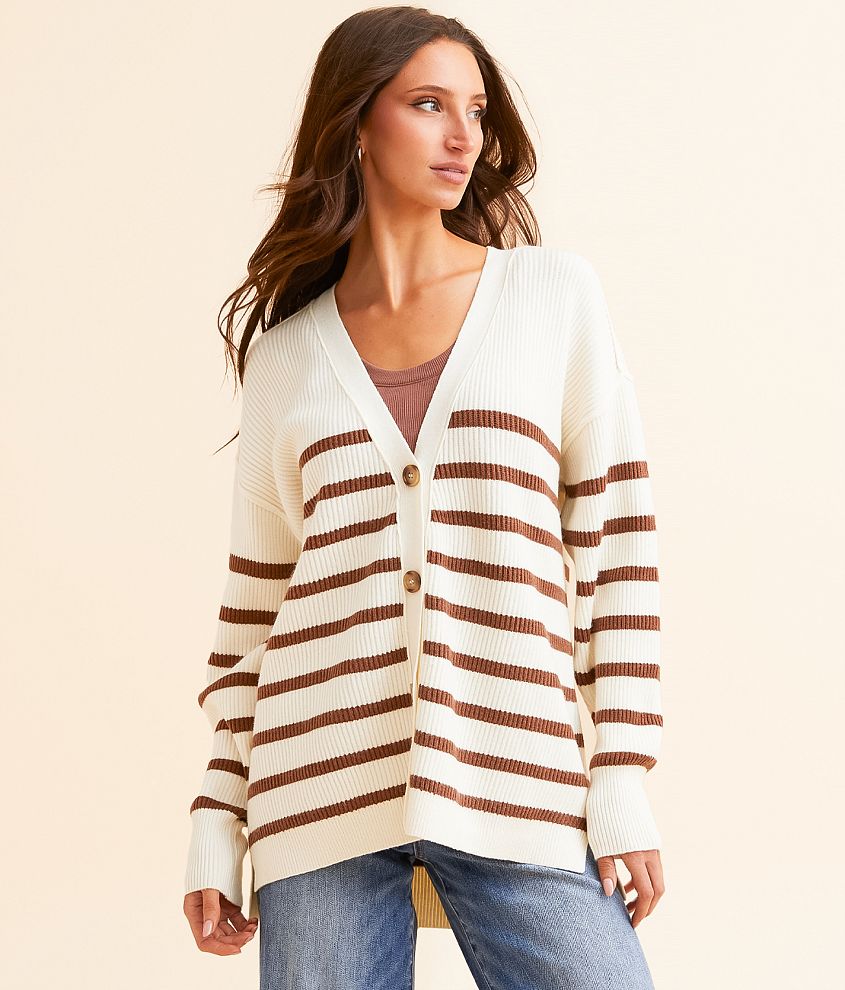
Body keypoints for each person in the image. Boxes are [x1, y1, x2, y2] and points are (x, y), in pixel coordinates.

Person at [182, 7, 665, 988]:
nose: (462, 137)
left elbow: (614, 547)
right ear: (357, 124)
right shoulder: (286, 357)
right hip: (312, 795)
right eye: (429, 105)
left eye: (475, 111)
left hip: (518, 775)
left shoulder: (550, 297)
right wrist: (217, 814)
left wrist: (619, 773)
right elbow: (255, 611)